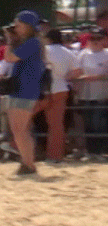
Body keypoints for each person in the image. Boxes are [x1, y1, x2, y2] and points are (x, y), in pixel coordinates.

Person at [3, 10, 47, 176]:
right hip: (21, 89)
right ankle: (27, 163)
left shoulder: (33, 43)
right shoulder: (31, 42)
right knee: (21, 129)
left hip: (26, 89)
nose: (16, 28)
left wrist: (9, 40)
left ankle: (28, 164)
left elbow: (9, 58)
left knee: (19, 129)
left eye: (19, 25)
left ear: (28, 26)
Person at [72, 28, 108, 158]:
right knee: (88, 124)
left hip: (101, 95)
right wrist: (78, 80)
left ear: (103, 40)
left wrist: (95, 78)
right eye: (93, 38)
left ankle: (98, 151)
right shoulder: (83, 54)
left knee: (98, 124)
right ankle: (90, 151)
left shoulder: (107, 54)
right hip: (85, 94)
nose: (96, 41)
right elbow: (77, 71)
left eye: (98, 38)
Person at [42, 29, 76, 162]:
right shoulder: (68, 52)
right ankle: (55, 155)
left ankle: (15, 146)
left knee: (24, 116)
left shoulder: (44, 50)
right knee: (56, 125)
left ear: (48, 38)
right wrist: (66, 77)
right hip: (61, 87)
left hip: (42, 89)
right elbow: (77, 70)